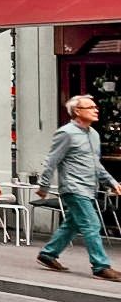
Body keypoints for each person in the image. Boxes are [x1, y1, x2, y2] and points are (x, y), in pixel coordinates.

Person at [36, 94, 121, 281]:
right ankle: (101, 266)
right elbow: (52, 160)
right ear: (77, 111)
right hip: (73, 188)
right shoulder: (66, 133)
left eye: (95, 107)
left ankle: (48, 254)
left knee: (72, 224)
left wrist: (112, 182)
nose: (96, 109)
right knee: (92, 224)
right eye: (90, 107)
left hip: (89, 187)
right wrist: (44, 184)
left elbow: (96, 165)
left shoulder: (94, 134)